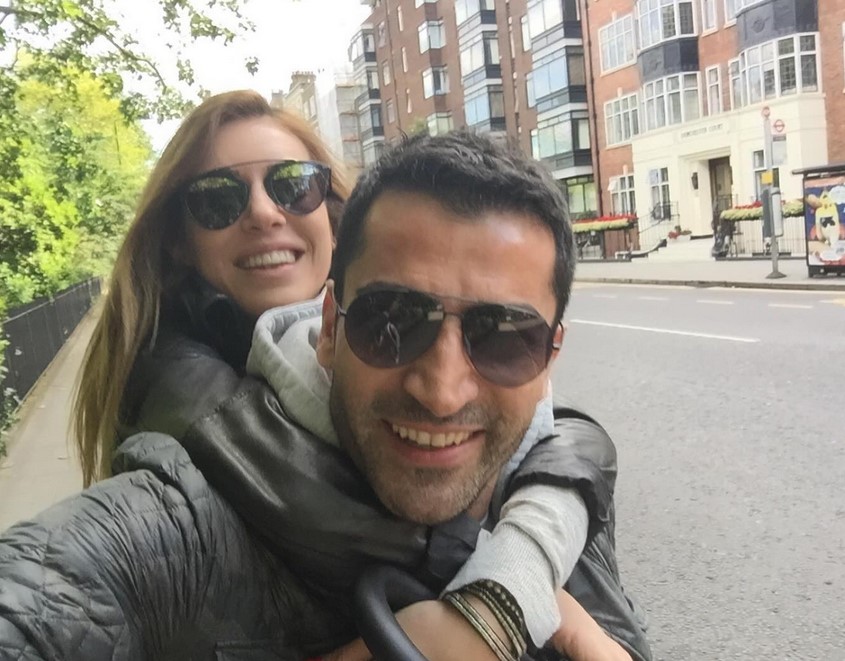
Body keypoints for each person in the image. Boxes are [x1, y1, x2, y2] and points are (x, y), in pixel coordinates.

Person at [0, 89, 641, 657]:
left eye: (504, 339)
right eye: (389, 321)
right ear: (330, 329)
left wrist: (521, 567)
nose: (443, 391)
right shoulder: (181, 474)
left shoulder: (537, 459)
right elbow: (57, 588)